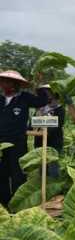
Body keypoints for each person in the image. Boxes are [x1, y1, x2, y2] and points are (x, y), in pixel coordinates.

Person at [0, 71, 47, 206]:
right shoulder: (0, 99)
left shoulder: (24, 98)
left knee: (17, 176)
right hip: (1, 145)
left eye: (8, 81)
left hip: (17, 144)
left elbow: (42, 101)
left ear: (16, 84)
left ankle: (16, 206)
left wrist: (39, 85)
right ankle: (4, 204)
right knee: (1, 175)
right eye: (3, 81)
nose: (4, 84)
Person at [31, 84, 65, 179]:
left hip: (54, 143)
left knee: (53, 167)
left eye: (48, 93)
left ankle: (55, 190)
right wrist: (38, 117)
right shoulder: (40, 109)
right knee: (42, 167)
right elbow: (32, 124)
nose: (47, 96)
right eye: (44, 93)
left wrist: (42, 124)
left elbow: (57, 124)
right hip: (39, 142)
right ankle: (43, 189)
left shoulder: (59, 109)